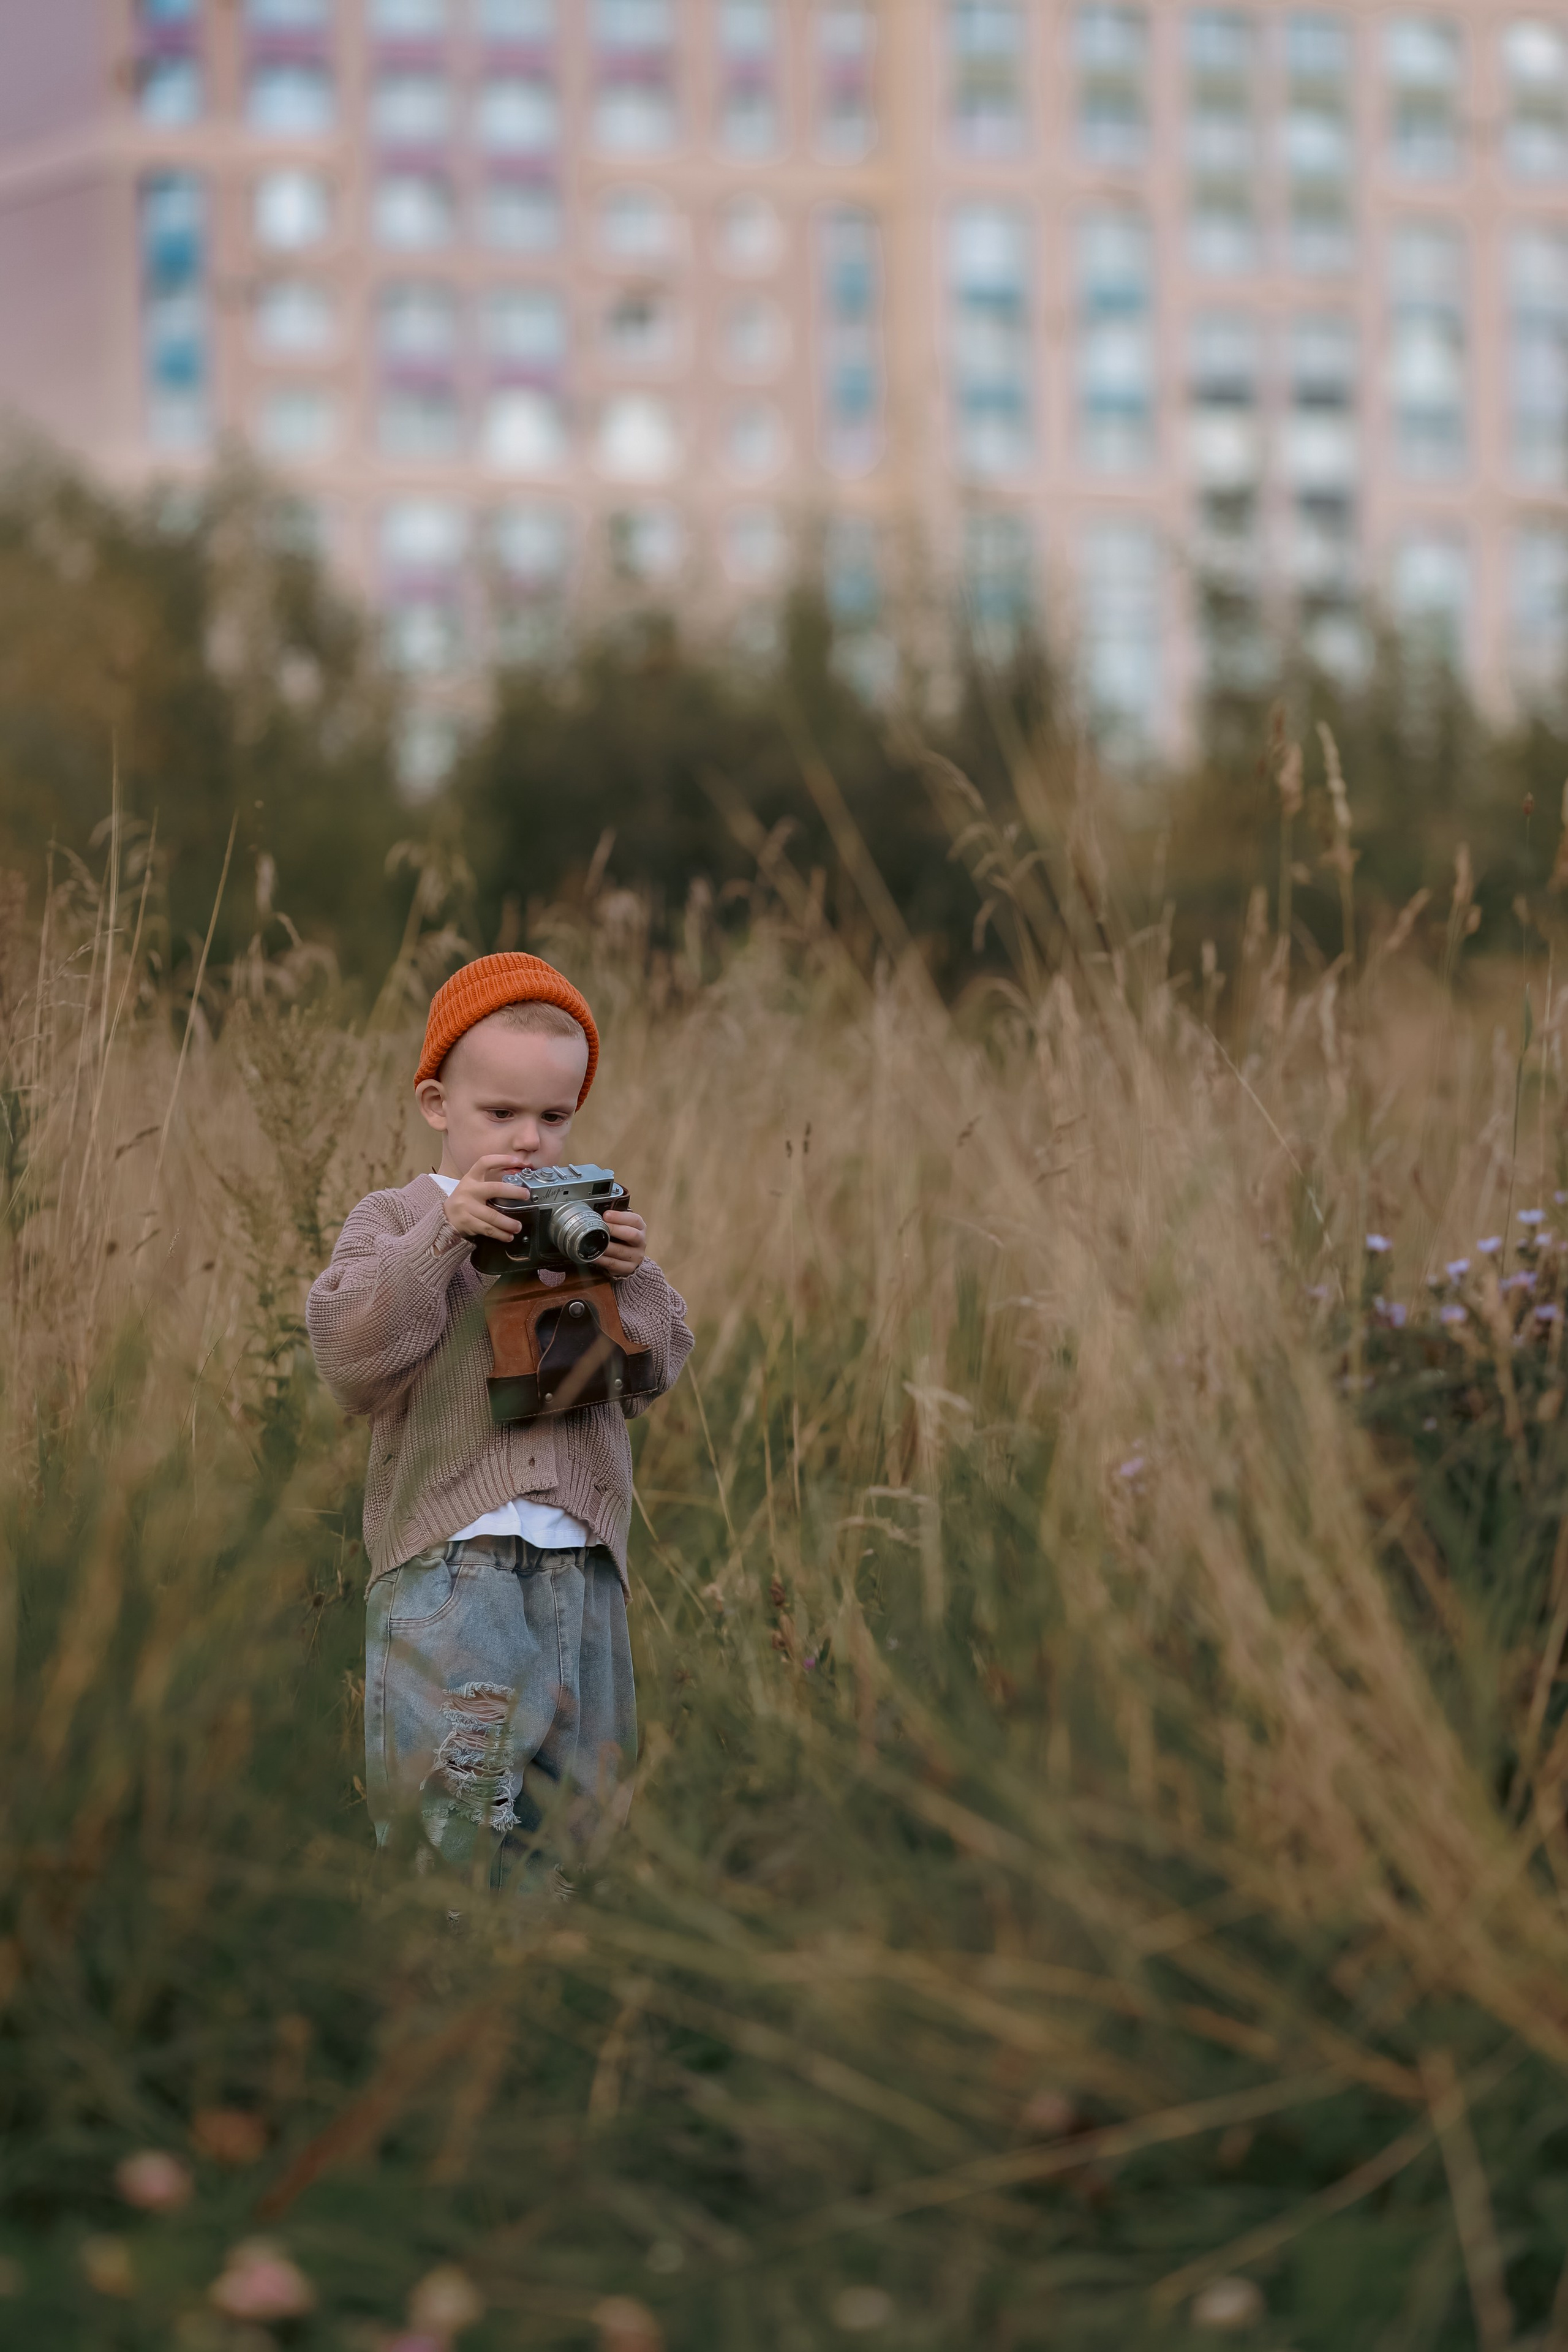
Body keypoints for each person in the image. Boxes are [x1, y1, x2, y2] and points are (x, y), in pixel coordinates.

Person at [306, 952, 693, 1888]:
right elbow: (351, 1361)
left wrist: (626, 1272)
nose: (528, 1142)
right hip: (452, 1565)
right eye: (501, 1115)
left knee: (579, 1821)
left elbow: (654, 1369)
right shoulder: (397, 1217)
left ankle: (544, 2002)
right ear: (438, 1104)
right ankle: (442, 1993)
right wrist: (446, 1239)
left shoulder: (577, 1222)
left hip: (582, 1567)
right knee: (452, 1811)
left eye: (553, 1118)